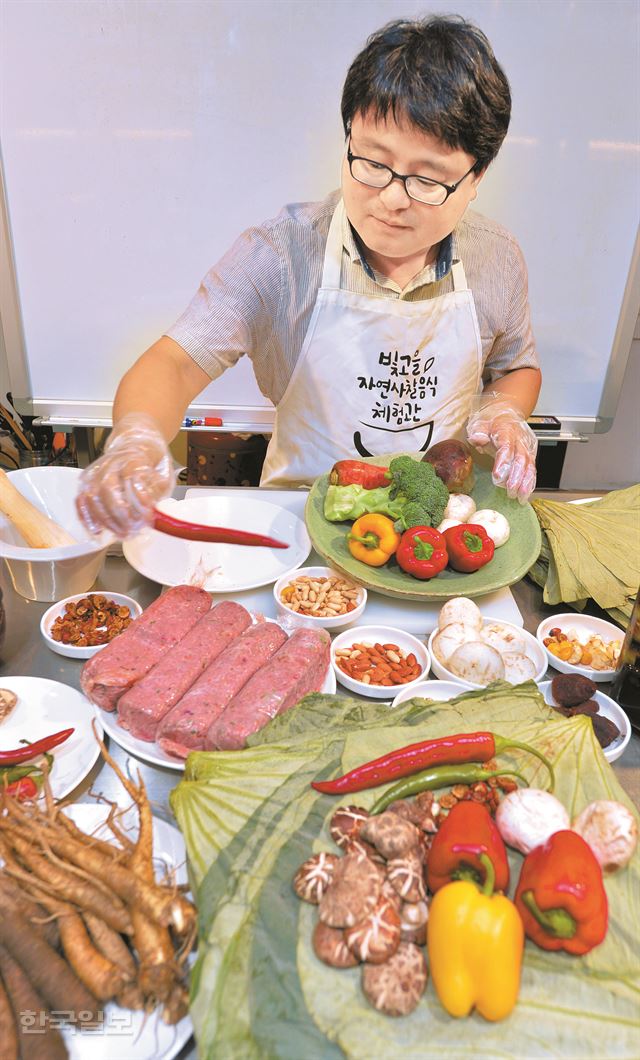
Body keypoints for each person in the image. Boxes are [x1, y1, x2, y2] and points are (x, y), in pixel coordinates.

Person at [77, 14, 541, 537]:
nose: (391, 198)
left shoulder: (496, 258)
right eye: (372, 162)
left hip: (435, 535)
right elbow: (176, 362)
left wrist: (503, 415)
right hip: (298, 529)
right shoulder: (279, 254)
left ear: (475, 177)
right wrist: (135, 442)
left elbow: (515, 368)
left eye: (428, 179)